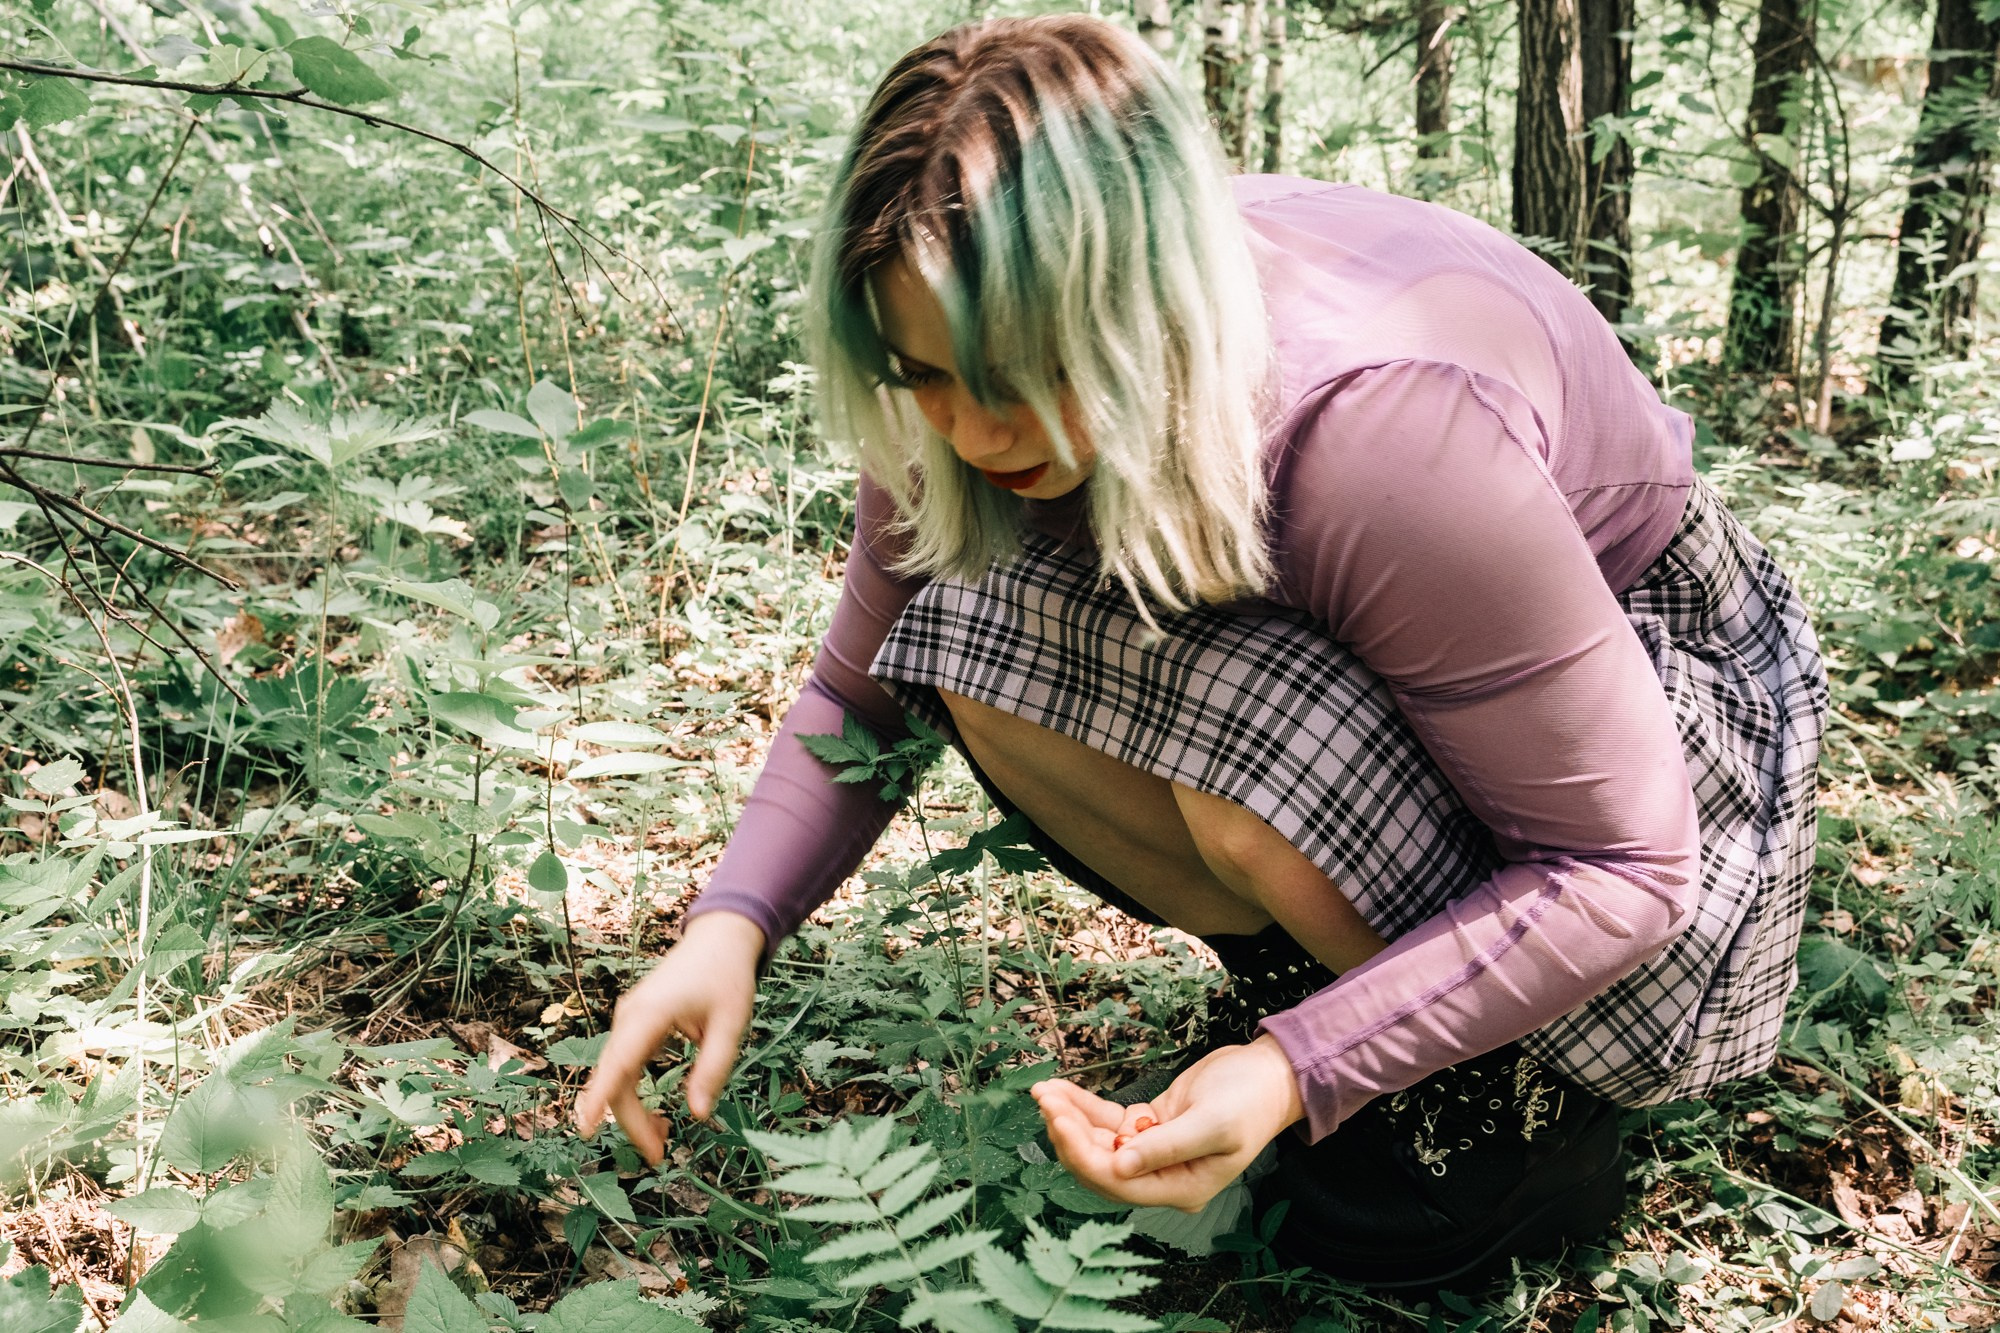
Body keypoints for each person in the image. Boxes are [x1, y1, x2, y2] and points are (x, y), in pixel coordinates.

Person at [576, 14, 1827, 1286]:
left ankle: (1511, 1109)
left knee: (1251, 752)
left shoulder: (1385, 436)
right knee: (955, 635)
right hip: (1392, 668)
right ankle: (1338, 1002)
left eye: (1019, 374)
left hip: (1646, 717)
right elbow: (864, 678)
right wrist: (729, 925)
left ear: (1138, 314)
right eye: (920, 375)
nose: (965, 429)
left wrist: (1297, 1069)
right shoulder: (954, 388)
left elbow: (1623, 861)